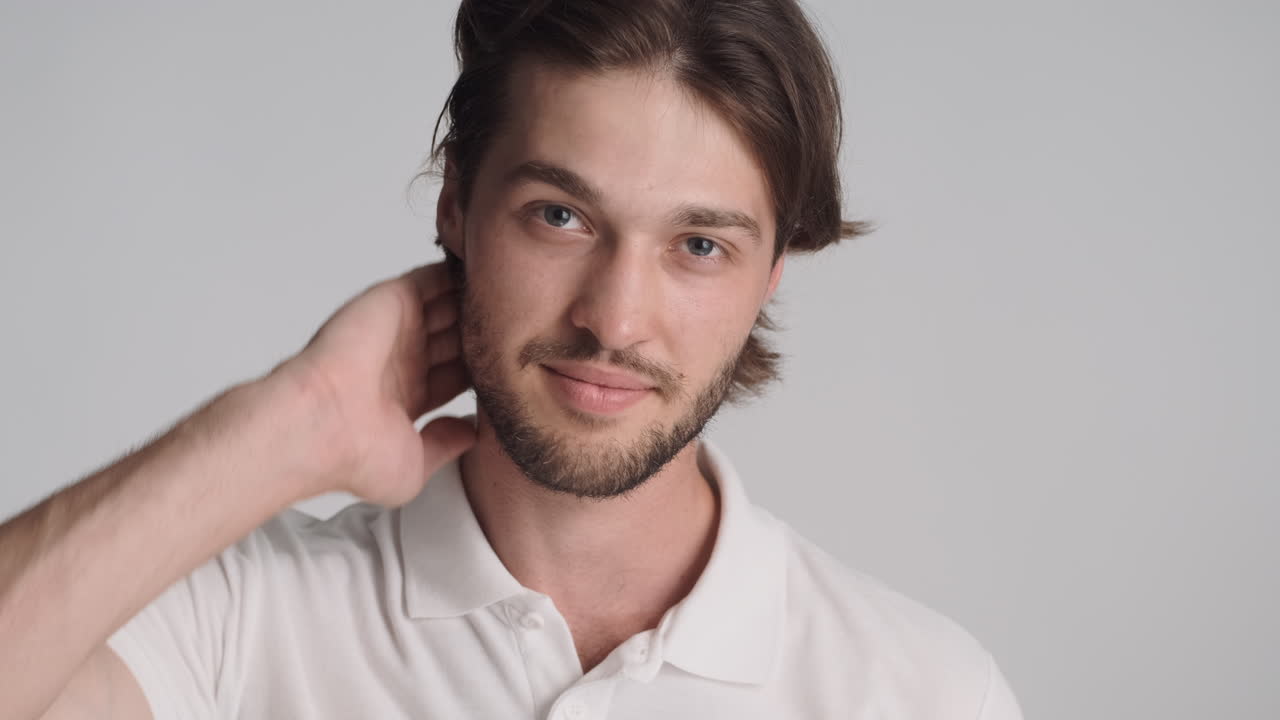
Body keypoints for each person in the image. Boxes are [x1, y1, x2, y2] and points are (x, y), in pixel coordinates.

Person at [1, 0, 1024, 718]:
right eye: (560, 216)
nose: (614, 321)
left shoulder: (925, 694)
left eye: (698, 245)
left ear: (770, 274)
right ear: (457, 202)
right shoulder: (240, 617)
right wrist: (284, 424)